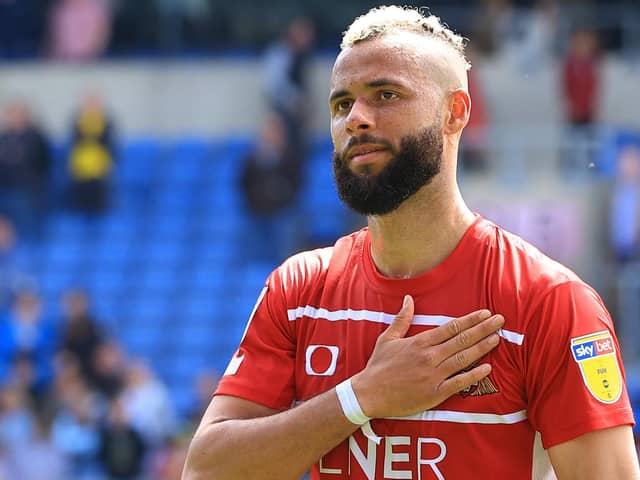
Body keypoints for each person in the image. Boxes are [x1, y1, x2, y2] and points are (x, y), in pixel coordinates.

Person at [183, 6, 639, 480]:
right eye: (342, 104)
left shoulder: (549, 302)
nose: (357, 118)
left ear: (454, 112)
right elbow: (206, 470)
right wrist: (361, 397)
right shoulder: (299, 293)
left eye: (386, 94)